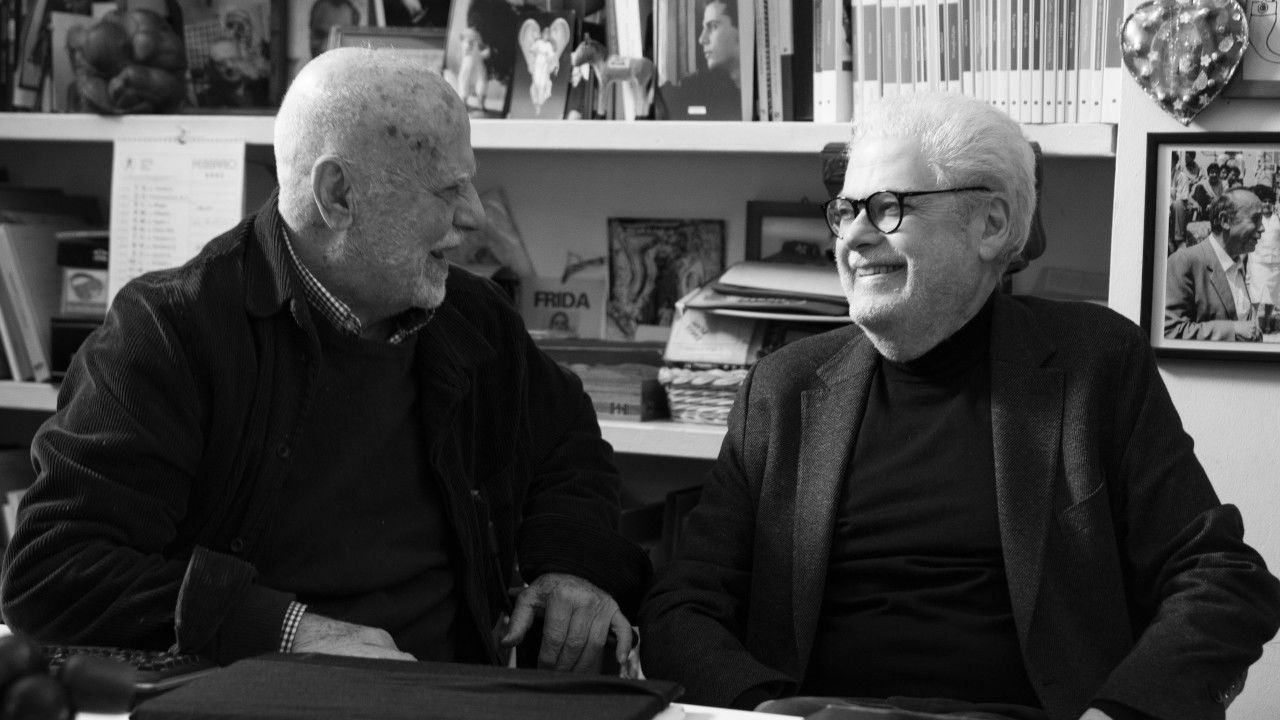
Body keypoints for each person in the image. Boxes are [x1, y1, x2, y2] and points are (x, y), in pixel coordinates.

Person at [1, 48, 651, 674]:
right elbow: (54, 570)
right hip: (258, 697)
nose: (476, 216)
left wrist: (571, 563)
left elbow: (568, 441)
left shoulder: (471, 318)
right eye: (447, 189)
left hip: (458, 694)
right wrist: (284, 632)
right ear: (337, 195)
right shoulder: (170, 330)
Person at [639, 92, 1280, 720]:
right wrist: (760, 710)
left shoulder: (1096, 364)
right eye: (844, 211)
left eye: (887, 208)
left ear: (992, 225)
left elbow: (1222, 579)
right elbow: (682, 602)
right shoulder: (782, 389)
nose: (853, 237)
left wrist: (1121, 713)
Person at [1164, 187, 1265, 341]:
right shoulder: (1184, 262)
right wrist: (1232, 330)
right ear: (1225, 220)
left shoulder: (1238, 262)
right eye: (1255, 219)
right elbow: (1169, 331)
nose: (1262, 228)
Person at [657, 0, 741, 120]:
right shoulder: (695, 88)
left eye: (713, 26)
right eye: (704, 28)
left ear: (741, 29)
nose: (702, 39)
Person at [1247, 184, 1280, 322]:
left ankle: (1267, 321)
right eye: (1264, 201)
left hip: (1274, 261)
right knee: (1256, 292)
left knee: (1271, 293)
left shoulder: (1277, 217)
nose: (1267, 204)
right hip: (1257, 260)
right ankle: (1254, 320)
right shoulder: (1255, 217)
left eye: (1269, 201)